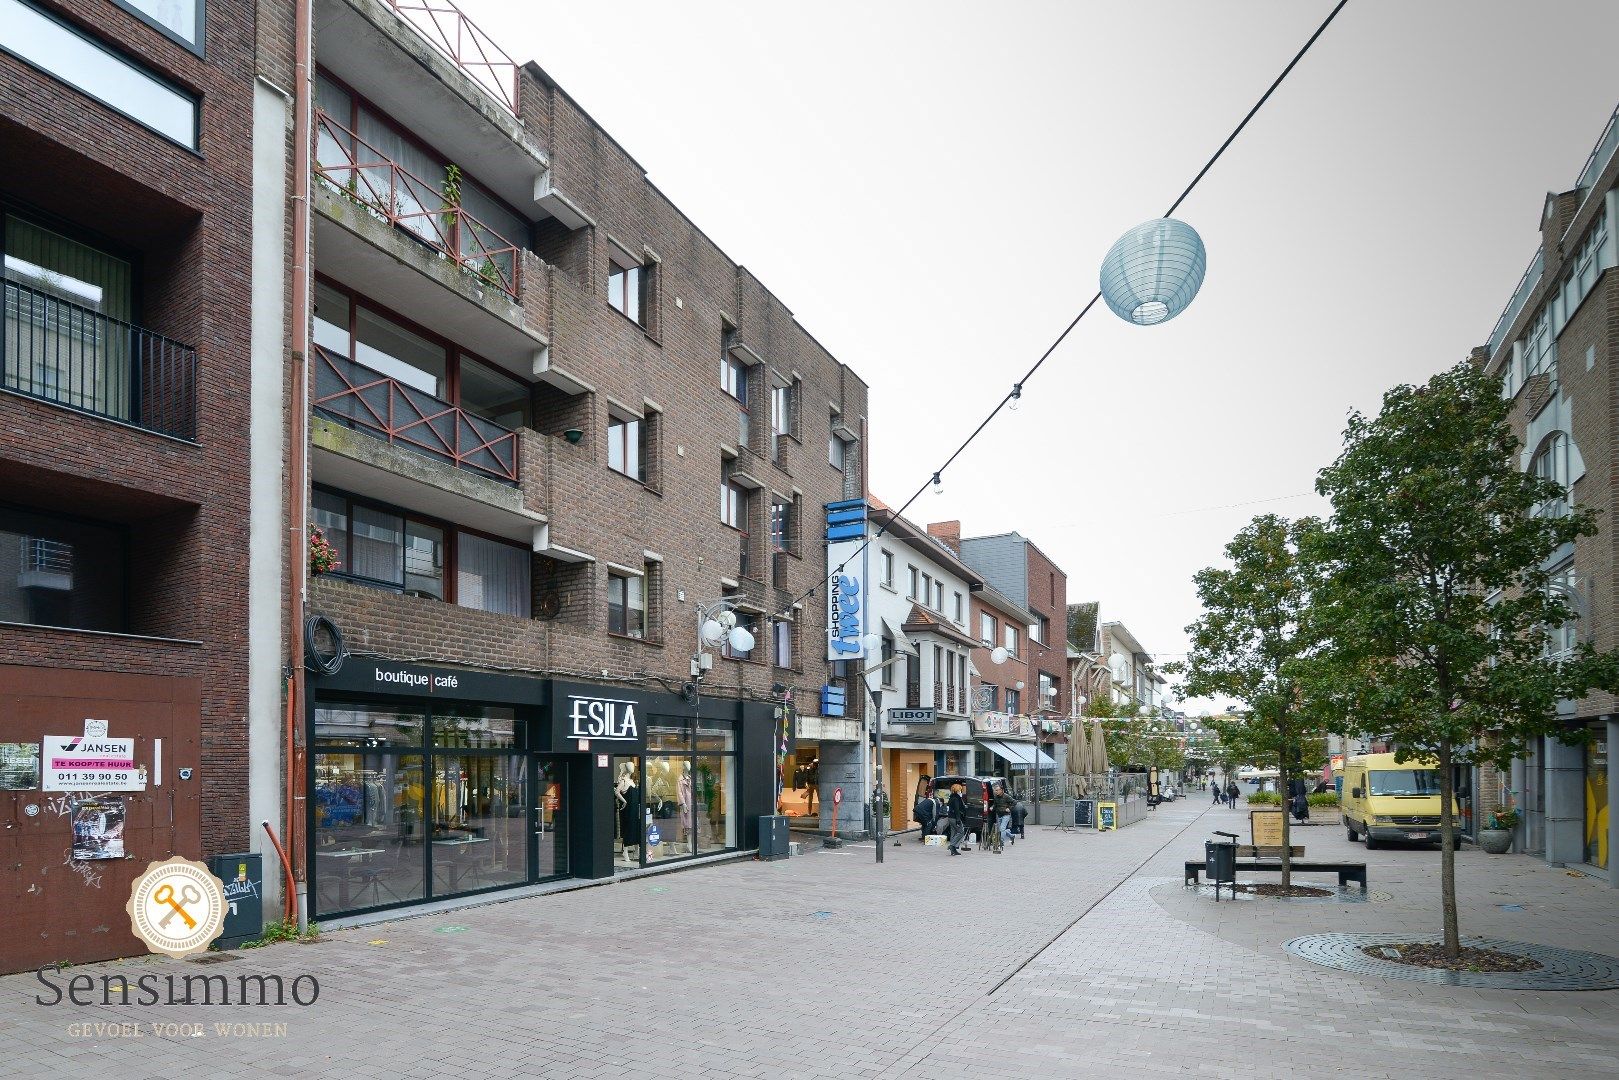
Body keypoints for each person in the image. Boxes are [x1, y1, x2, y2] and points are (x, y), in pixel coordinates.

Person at [946, 782, 969, 855]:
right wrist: (958, 820)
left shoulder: (951, 797)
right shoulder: (956, 798)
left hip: (950, 817)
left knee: (954, 832)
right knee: (961, 832)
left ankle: (954, 850)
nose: (961, 791)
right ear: (957, 790)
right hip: (955, 818)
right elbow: (956, 809)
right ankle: (952, 845)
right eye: (960, 790)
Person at [992, 783, 1015, 852]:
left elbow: (1014, 802)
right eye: (995, 790)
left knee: (1002, 828)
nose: (996, 792)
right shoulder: (996, 797)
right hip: (999, 815)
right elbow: (995, 805)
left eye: (997, 790)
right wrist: (992, 807)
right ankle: (1011, 836)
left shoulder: (1006, 796)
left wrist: (1009, 808)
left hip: (1006, 815)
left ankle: (1001, 843)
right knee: (1001, 829)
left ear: (1002, 790)